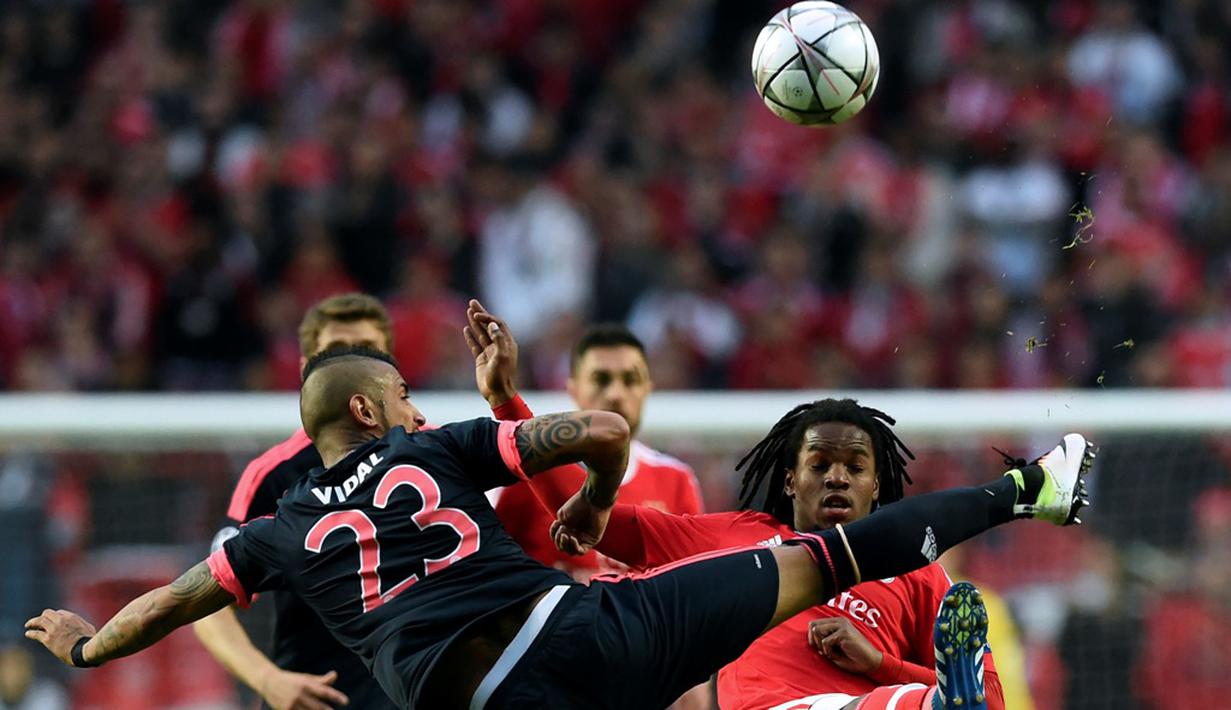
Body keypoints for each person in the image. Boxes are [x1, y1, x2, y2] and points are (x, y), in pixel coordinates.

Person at [25, 342, 1093, 710]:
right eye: (396, 392)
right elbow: (590, 436)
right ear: (367, 412)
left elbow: (170, 599)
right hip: (585, 635)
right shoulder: (428, 445)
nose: (408, 402)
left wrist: (87, 642)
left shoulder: (271, 527)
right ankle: (1027, 491)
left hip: (488, 696)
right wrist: (564, 459)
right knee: (826, 562)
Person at [192, 292, 400, 710]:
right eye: (336, 354)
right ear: (307, 371)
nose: (351, 369)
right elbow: (206, 605)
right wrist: (267, 680)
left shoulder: (435, 451)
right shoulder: (272, 476)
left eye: (367, 353)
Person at [491, 323, 703, 579]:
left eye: (630, 380)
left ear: (648, 388)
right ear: (573, 389)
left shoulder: (676, 480)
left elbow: (693, 584)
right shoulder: (527, 476)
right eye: (601, 380)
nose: (615, 394)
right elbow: (494, 576)